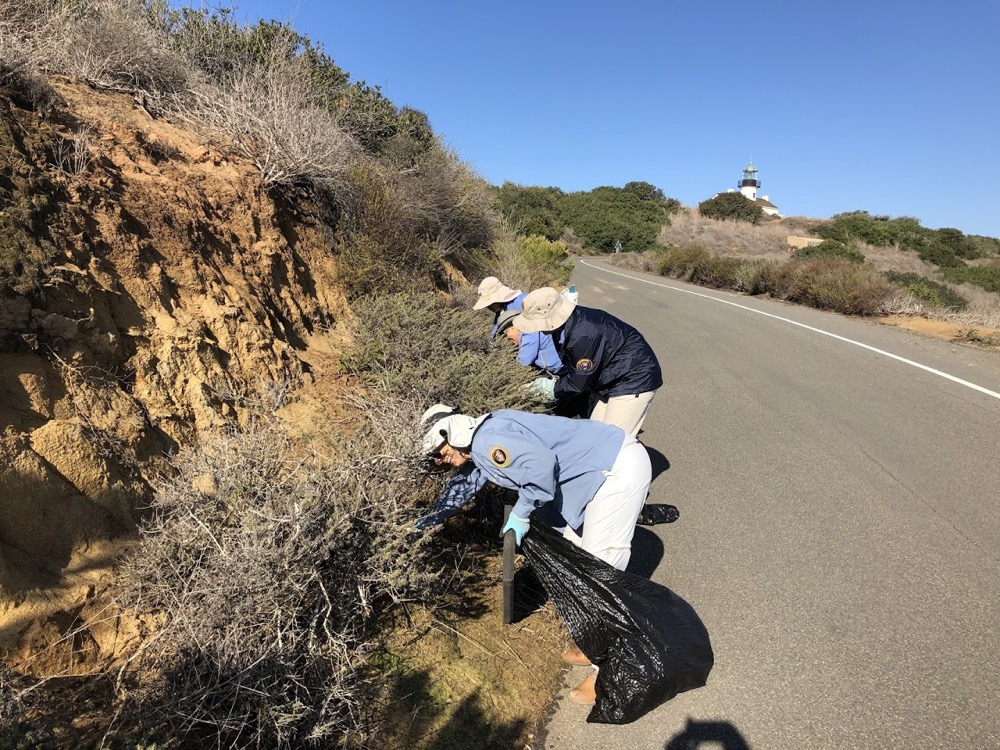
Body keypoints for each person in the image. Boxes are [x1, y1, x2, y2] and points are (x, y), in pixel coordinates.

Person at [417, 403, 652, 704]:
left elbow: (541, 467)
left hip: (615, 470)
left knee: (599, 575)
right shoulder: (480, 443)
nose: (438, 461)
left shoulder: (489, 442)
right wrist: (423, 523)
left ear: (453, 433)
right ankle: (596, 645)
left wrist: (523, 512)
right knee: (580, 562)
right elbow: (463, 487)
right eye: (433, 457)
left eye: (438, 451)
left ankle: (608, 673)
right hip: (600, 470)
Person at [514, 287, 662, 438]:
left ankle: (634, 460)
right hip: (610, 377)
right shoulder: (567, 324)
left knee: (614, 442)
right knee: (595, 436)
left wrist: (546, 389)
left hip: (633, 378)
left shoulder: (583, 335)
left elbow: (576, 383)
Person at [474, 277, 564, 375]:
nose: (488, 307)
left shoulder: (525, 303)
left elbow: (531, 339)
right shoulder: (502, 310)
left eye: (489, 304)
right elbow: (495, 333)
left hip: (554, 357)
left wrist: (514, 371)